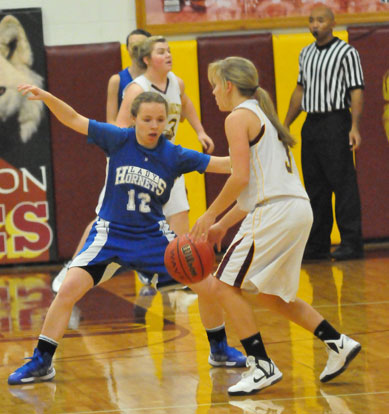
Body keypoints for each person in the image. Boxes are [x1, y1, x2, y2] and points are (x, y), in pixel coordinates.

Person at [8, 87, 244, 386]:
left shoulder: (174, 154)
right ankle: (42, 361)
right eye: (147, 119)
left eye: (160, 119)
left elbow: (225, 165)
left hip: (153, 239)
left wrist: (256, 150)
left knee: (207, 286)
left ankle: (219, 349)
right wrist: (48, 97)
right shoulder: (118, 139)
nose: (154, 125)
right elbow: (74, 119)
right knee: (68, 289)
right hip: (111, 234)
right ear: (134, 119)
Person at [190, 56, 361, 395]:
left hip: (275, 213)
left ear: (228, 85)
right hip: (296, 209)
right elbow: (255, 188)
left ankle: (261, 365)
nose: (212, 93)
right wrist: (223, 225)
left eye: (214, 85)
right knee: (270, 295)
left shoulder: (238, 117)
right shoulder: (262, 115)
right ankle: (337, 342)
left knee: (223, 285)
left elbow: (239, 179)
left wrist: (208, 215)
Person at [52, 29, 152, 292]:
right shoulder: (119, 81)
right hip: (125, 153)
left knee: (154, 213)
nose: (136, 50)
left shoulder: (165, 81)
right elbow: (112, 121)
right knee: (105, 215)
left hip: (153, 156)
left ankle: (149, 269)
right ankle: (74, 265)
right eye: (132, 46)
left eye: (142, 45)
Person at [284, 5, 364, 261]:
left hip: (336, 120)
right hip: (312, 123)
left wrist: (354, 126)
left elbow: (356, 91)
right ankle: (318, 243)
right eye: (311, 20)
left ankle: (351, 242)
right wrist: (285, 124)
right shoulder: (305, 53)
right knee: (315, 187)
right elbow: (299, 91)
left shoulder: (346, 52)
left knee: (342, 185)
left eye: (320, 20)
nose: (315, 25)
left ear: (332, 23)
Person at [116, 35, 215, 238]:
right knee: (138, 222)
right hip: (143, 162)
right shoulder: (137, 89)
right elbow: (120, 127)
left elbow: (186, 104)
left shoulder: (176, 83)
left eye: (169, 50)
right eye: (161, 52)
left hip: (168, 158)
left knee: (180, 213)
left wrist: (200, 131)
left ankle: (177, 266)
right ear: (147, 60)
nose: (168, 55)